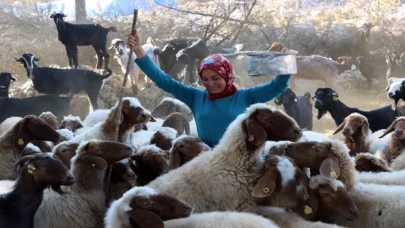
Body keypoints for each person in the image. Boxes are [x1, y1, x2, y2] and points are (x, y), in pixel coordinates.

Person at [127, 31, 292, 148]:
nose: (210, 84)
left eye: (216, 79)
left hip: (240, 159)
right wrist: (139, 50)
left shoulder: (246, 97)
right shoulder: (196, 97)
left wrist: (283, 62)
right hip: (206, 159)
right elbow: (164, 80)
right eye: (205, 79)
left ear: (227, 76)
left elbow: (277, 86)